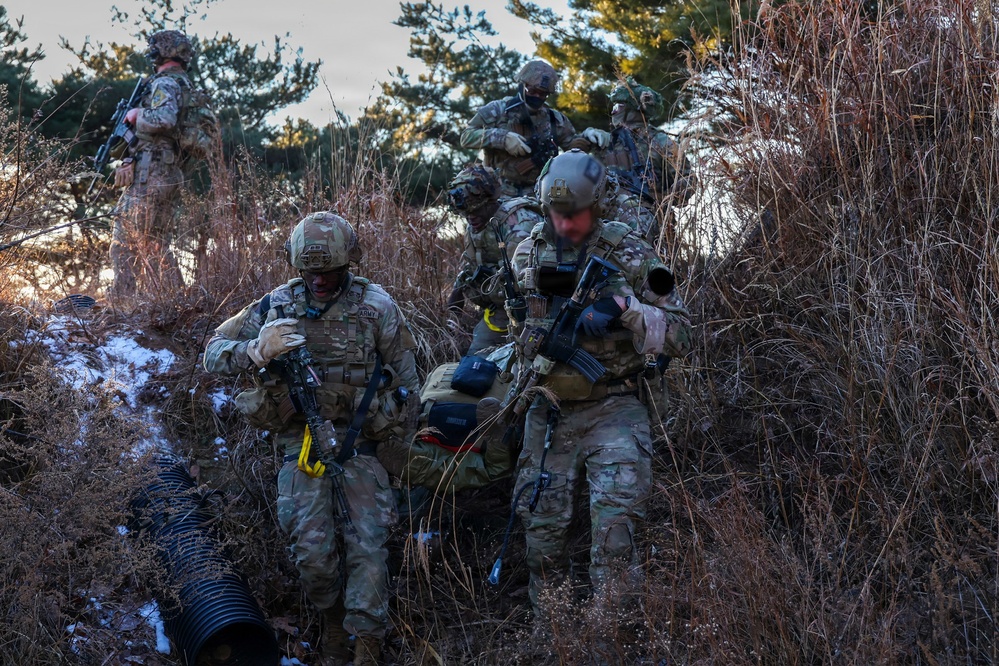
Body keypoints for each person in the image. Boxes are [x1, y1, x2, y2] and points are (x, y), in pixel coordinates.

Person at [203, 213, 420, 666]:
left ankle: (366, 645)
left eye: (329, 272)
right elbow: (213, 353)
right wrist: (255, 350)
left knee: (369, 547)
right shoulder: (276, 305)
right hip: (299, 443)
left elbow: (407, 384)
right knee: (312, 553)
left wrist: (396, 448)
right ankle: (334, 621)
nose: (319, 281)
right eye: (309, 273)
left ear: (349, 264)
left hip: (362, 442)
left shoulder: (376, 307)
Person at [505, 149, 692, 616]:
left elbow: (684, 332)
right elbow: (515, 320)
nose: (566, 224)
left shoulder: (630, 251)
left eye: (577, 215)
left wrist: (627, 311)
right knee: (541, 541)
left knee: (616, 541)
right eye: (557, 214)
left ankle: (608, 637)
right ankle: (550, 636)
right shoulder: (526, 249)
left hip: (615, 406)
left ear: (600, 206)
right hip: (548, 409)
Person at [110, 30, 199, 296]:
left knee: (124, 236)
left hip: (154, 172)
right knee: (156, 242)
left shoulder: (165, 83)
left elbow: (165, 119)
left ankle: (123, 301)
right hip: (166, 171)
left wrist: (138, 114)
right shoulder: (183, 83)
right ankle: (174, 300)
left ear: (161, 52)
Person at [460, 59, 611, 197]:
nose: (537, 97)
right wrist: (502, 138)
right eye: (532, 91)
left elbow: (573, 147)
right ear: (522, 85)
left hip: (540, 193)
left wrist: (589, 136)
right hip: (499, 192)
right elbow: (466, 137)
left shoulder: (554, 118)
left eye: (543, 94)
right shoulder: (498, 110)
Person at [445, 164, 544, 354]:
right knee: (474, 364)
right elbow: (471, 265)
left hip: (534, 311)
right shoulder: (477, 225)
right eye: (466, 213)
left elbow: (528, 283)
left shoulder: (519, 226)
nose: (470, 218)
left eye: (476, 211)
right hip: (501, 309)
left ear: (491, 201)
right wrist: (458, 293)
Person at [592, 77, 695, 241]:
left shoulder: (661, 142)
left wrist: (661, 200)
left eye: (618, 106)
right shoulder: (605, 142)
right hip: (606, 223)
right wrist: (584, 140)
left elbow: (688, 181)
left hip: (651, 223)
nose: (613, 112)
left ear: (634, 110)